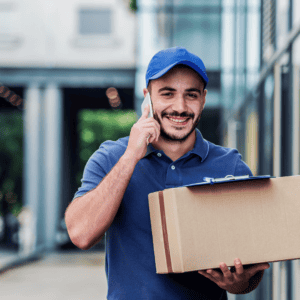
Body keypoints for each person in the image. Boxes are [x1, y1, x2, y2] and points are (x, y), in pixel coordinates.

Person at [65, 47, 270, 299]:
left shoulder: (231, 166)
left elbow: (253, 274)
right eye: (167, 94)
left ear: (203, 99)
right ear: (147, 98)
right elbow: (81, 234)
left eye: (191, 95)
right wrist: (131, 156)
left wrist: (238, 283)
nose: (180, 107)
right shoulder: (112, 158)